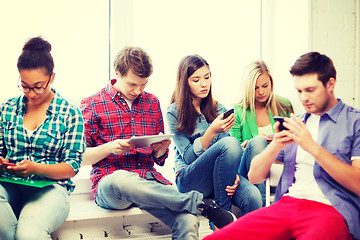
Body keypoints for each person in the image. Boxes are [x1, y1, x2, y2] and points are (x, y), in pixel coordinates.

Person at [80, 47, 236, 240]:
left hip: (148, 182)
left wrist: (160, 151)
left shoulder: (151, 102)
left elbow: (159, 160)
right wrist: (110, 147)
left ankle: (196, 207)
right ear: (117, 72)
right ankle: (200, 204)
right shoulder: (93, 103)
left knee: (188, 220)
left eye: (143, 84)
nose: (138, 91)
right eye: (132, 84)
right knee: (122, 179)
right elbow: (80, 157)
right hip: (111, 183)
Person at [203, 51, 360, 240]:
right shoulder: (296, 122)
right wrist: (275, 145)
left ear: (330, 84)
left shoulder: (354, 122)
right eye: (299, 91)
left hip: (331, 208)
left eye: (310, 90)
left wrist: (312, 146)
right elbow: (253, 176)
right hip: (286, 206)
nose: (304, 98)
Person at [0, 37, 86, 240]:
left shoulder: (70, 113)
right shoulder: (6, 108)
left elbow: (72, 166)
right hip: (9, 184)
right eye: (25, 86)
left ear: (52, 77)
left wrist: (36, 168)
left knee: (29, 234)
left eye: (38, 86)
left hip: (50, 189)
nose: (32, 93)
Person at [166, 55, 262, 225]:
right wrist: (211, 130)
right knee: (230, 143)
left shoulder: (219, 108)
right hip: (191, 180)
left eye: (207, 77)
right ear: (184, 82)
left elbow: (230, 153)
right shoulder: (173, 113)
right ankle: (221, 219)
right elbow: (188, 157)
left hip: (220, 178)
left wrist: (235, 176)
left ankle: (242, 232)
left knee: (253, 197)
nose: (204, 84)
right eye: (196, 79)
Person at [230, 60, 293, 205]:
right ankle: (263, 207)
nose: (261, 92)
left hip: (278, 165)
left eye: (265, 86)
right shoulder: (238, 111)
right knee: (258, 142)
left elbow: (293, 141)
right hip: (250, 170)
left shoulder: (284, 105)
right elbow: (232, 150)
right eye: (255, 88)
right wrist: (252, 142)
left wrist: (277, 142)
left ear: (271, 83)